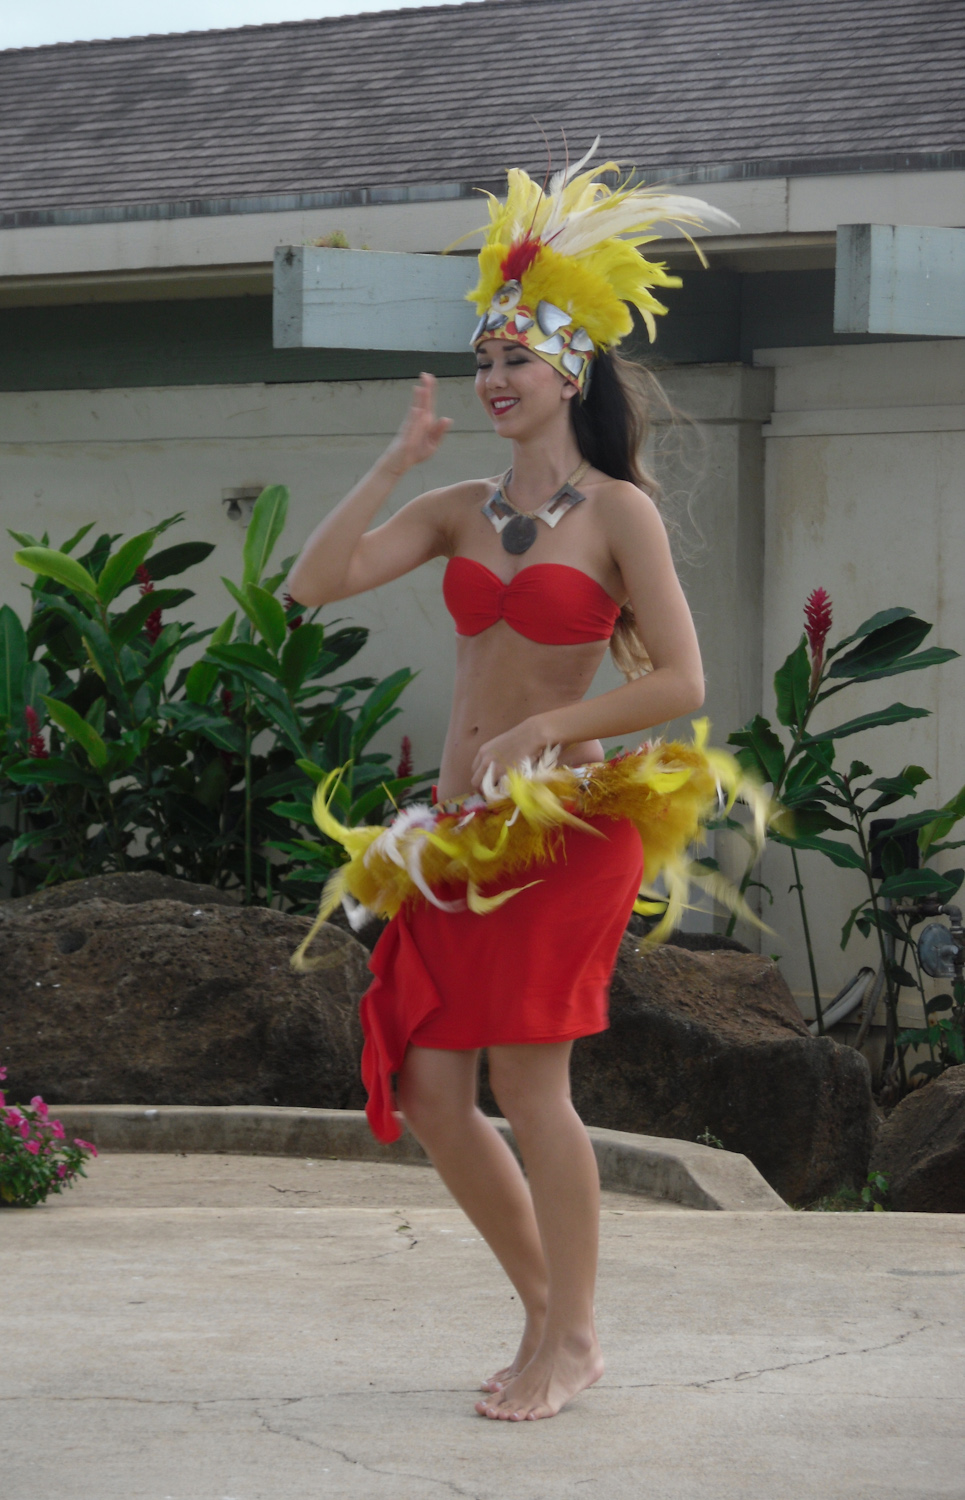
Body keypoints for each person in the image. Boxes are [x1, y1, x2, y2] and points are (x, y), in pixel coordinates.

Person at [286, 151, 741, 1422]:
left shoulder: (618, 513)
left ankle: (572, 1333)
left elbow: (683, 681)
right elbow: (312, 585)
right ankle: (550, 1316)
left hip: (567, 828)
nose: (494, 381)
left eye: (514, 363)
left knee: (531, 1087)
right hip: (457, 835)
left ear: (569, 372)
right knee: (437, 1092)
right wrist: (394, 460)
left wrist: (552, 734)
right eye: (484, 361)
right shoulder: (455, 505)